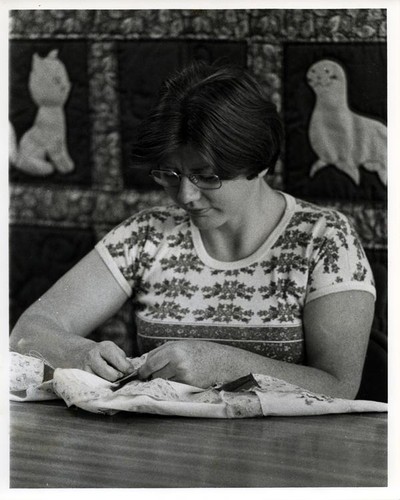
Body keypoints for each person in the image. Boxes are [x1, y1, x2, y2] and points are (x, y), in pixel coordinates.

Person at [10, 61, 376, 399]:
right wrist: (83, 353)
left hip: (285, 457)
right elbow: (28, 333)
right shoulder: (147, 235)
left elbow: (339, 385)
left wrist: (222, 365)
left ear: (260, 163)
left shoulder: (324, 239)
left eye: (207, 177)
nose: (185, 195)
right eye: (170, 174)